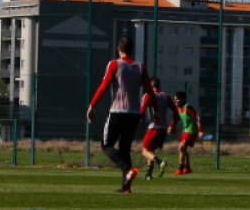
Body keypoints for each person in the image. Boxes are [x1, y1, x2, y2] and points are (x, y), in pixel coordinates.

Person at [87, 36, 156, 194]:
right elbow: (150, 91)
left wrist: (92, 106)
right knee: (125, 149)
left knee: (106, 145)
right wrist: (156, 111)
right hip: (134, 113)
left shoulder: (114, 64)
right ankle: (126, 186)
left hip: (118, 111)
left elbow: (104, 86)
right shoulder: (140, 67)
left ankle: (128, 169)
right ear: (131, 49)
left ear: (118, 48)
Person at [139, 77, 177, 180]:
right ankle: (149, 174)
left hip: (154, 127)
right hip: (163, 129)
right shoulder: (166, 96)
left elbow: (141, 111)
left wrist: (137, 122)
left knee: (144, 151)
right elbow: (176, 112)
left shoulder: (148, 95)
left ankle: (160, 162)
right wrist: (172, 125)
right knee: (151, 150)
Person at [169, 90, 203, 176]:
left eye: (177, 99)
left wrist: (200, 130)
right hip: (186, 131)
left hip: (191, 131)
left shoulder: (188, 108)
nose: (175, 101)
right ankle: (187, 168)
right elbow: (176, 118)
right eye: (175, 99)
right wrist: (171, 126)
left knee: (181, 148)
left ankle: (180, 168)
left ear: (183, 100)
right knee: (183, 149)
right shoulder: (178, 108)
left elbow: (197, 118)